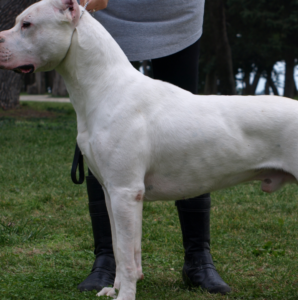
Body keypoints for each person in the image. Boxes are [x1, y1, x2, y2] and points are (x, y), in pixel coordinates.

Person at [75, 0, 231, 295]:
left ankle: (198, 258)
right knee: (109, 135)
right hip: (109, 15)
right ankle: (108, 260)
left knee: (190, 132)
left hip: (177, 15)